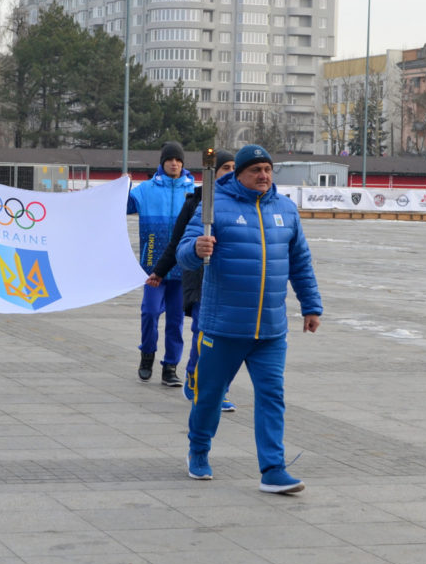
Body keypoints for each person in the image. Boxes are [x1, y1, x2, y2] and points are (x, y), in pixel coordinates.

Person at [177, 144, 322, 494]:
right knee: (209, 397)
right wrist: (196, 251)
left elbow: (300, 261)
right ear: (239, 173)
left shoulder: (286, 210)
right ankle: (199, 451)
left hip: (270, 331)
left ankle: (273, 469)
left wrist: (311, 305)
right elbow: (185, 252)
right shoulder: (215, 208)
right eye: (256, 170)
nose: (264, 176)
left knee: (272, 397)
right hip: (222, 327)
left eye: (268, 170)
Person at [149, 149, 237, 412]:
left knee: (226, 339)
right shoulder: (195, 202)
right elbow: (177, 242)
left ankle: (215, 386)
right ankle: (197, 378)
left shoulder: (244, 203)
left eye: (234, 168)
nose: (230, 173)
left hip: (231, 282)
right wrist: (160, 271)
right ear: (213, 172)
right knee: (204, 333)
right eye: (225, 168)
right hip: (200, 279)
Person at [127, 141, 194, 387]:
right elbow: (123, 206)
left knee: (175, 320)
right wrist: (122, 188)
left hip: (182, 267)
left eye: (178, 160)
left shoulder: (193, 192)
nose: (174, 163)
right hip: (154, 267)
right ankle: (147, 356)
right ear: (162, 162)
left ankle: (170, 367)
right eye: (170, 160)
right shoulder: (146, 190)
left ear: (183, 164)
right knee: (150, 312)